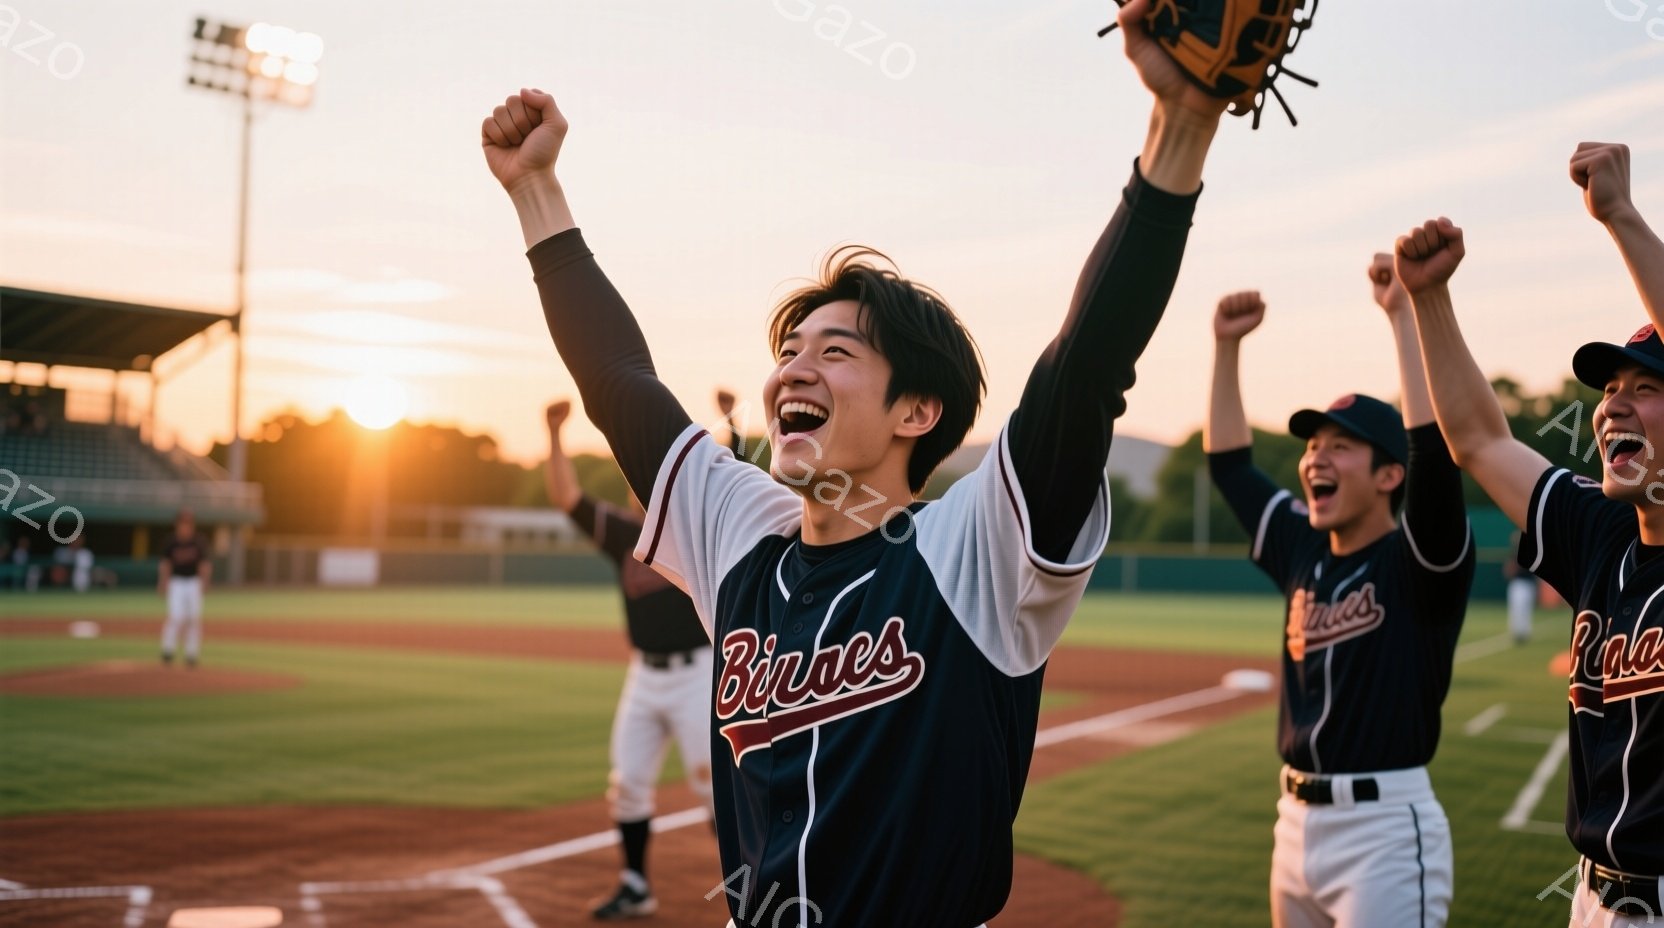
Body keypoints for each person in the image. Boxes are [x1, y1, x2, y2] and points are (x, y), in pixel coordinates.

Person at [483, 0, 1229, 921]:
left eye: (836, 351)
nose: (795, 366)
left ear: (918, 410)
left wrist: (1181, 127)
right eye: (790, 349)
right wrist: (536, 193)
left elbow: (1085, 365)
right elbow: (620, 382)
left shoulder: (972, 551)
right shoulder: (743, 536)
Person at [1401, 142, 1664, 928]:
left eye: (1647, 389)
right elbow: (1480, 440)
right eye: (1609, 390)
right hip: (1593, 897)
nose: (1614, 405)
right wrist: (1429, 301)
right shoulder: (1600, 530)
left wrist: (1619, 216)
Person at [1204, 258, 1474, 927]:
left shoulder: (1420, 561)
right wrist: (1226, 347)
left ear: (1389, 475)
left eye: (1341, 447)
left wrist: (1403, 317)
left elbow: (1434, 453)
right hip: (1292, 825)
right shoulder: (1303, 546)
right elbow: (1231, 465)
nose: (1316, 457)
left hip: (1383, 830)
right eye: (1313, 444)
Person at [545, 394, 735, 920]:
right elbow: (566, 496)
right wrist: (555, 433)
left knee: (716, 791)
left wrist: (733, 422)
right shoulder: (625, 536)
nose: (638, 484)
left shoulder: (692, 533)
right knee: (627, 784)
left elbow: (734, 482)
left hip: (700, 675)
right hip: (644, 679)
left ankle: (752, 898)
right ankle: (634, 884)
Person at [158, 509, 210, 668]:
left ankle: (191, 654)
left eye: (188, 524)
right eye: (183, 523)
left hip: (194, 582)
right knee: (176, 616)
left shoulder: (198, 541)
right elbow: (166, 563)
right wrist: (163, 581)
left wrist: (205, 581)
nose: (186, 527)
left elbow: (205, 564)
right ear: (178, 524)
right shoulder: (171, 541)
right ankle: (168, 650)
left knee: (193, 618)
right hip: (177, 582)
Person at [1504, 531, 1536, 644]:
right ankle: (1516, 633)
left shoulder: (1531, 553)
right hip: (1517, 583)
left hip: (1527, 584)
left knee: (1525, 609)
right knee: (1516, 609)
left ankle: (1524, 633)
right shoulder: (1514, 554)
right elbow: (1508, 571)